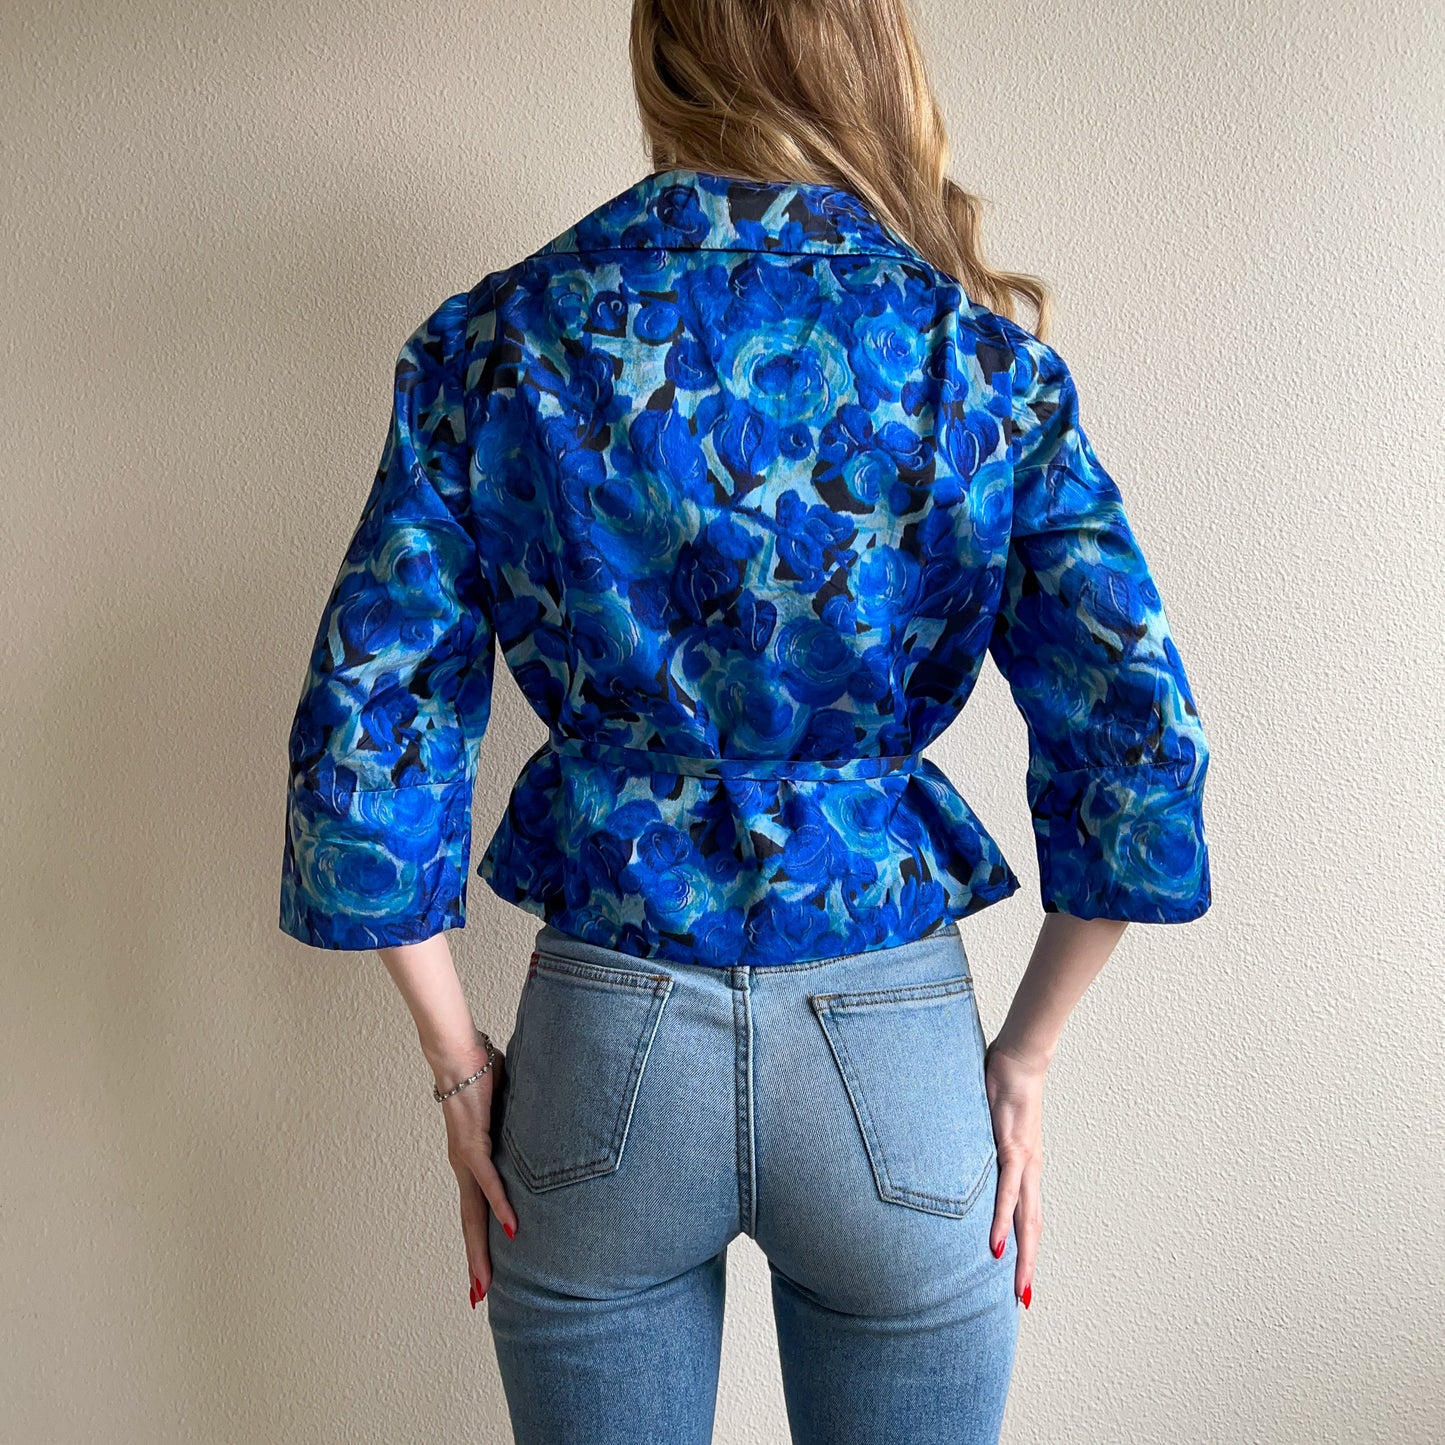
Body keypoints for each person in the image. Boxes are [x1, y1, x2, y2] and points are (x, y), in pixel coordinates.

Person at [277, 1, 1212, 1439]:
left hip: (607, 1043)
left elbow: (365, 728)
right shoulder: (973, 359)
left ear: (664, 63)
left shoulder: (503, 341)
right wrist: (1022, 1061)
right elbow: (1139, 741)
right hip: (889, 1050)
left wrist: (459, 1072)